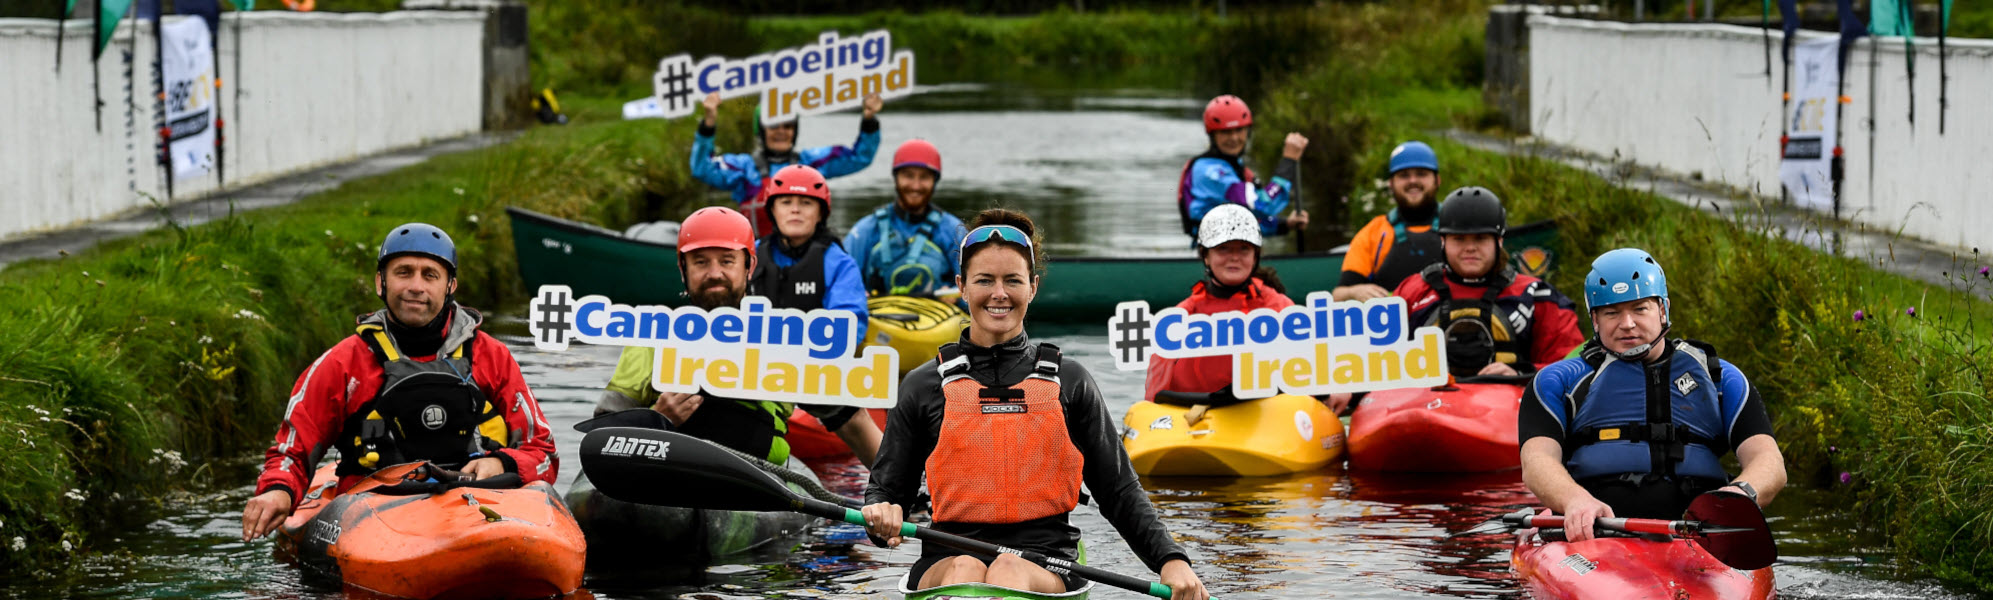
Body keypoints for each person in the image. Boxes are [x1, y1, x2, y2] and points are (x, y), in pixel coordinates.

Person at [862, 209, 1209, 600]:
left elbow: (1118, 491)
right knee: (967, 566)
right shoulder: (924, 385)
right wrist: (882, 516)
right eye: (984, 280)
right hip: (948, 558)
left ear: (1033, 287)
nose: (999, 293)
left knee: (1008, 569)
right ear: (961, 286)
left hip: (1048, 561)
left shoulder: (1070, 381)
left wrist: (1171, 560)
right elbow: (884, 493)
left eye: (1013, 280)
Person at [241, 224, 558, 541]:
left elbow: (542, 451)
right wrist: (278, 490)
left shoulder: (492, 356)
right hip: (374, 511)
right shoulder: (343, 363)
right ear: (381, 282)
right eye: (403, 273)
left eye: (430, 275)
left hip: (477, 502)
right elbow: (292, 451)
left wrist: (502, 463)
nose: (416, 286)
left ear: (450, 285)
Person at [1517, 249, 1787, 541]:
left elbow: (1769, 460)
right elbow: (1536, 461)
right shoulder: (1559, 381)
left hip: (1698, 534)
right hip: (1596, 534)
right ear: (1595, 320)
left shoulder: (1720, 377)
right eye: (1612, 313)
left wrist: (1740, 492)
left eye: (1639, 308)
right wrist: (1573, 499)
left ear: (1662, 310)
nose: (1627, 323)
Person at [594, 206, 881, 466]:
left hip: (758, 489)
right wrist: (657, 419)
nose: (714, 273)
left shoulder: (784, 338)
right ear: (683, 270)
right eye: (701, 262)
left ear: (749, 267)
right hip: (670, 475)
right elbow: (602, 432)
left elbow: (852, 420)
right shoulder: (652, 338)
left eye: (727, 261)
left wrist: (897, 494)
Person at [1144, 204, 1294, 402]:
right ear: (1206, 256)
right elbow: (1154, 396)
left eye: (1244, 249)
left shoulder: (1279, 306)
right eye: (1223, 248)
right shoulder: (1180, 316)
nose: (1234, 257)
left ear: (1255, 256)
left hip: (1264, 413)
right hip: (1196, 417)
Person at [689, 91, 883, 239]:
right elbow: (702, 168)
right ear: (762, 131)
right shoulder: (744, 169)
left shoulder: (811, 164)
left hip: (804, 257)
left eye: (788, 126)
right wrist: (708, 123)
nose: (781, 131)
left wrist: (869, 121)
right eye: (774, 125)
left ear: (795, 131)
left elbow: (859, 157)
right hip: (758, 257)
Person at [1177, 94, 1309, 246]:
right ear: (1212, 135)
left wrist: (1285, 225)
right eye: (1225, 132)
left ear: (1248, 132)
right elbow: (1263, 204)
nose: (1234, 138)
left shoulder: (1234, 167)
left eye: (1239, 130)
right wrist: (1289, 161)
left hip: (1232, 251)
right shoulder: (1211, 173)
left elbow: (1243, 223)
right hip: (1212, 255)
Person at [843, 138, 966, 298]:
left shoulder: (953, 231)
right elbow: (841, 285)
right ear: (896, 178)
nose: (916, 185)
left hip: (939, 316)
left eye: (924, 177)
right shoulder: (864, 231)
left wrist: (957, 299)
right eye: (908, 176)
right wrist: (855, 295)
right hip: (879, 317)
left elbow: (974, 290)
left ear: (934, 182)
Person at [1334, 141, 1444, 301]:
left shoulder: (1459, 225)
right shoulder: (1373, 232)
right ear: (1391, 184)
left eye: (1421, 173)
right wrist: (1354, 292)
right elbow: (1338, 295)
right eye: (1404, 175)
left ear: (1437, 180)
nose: (1413, 180)